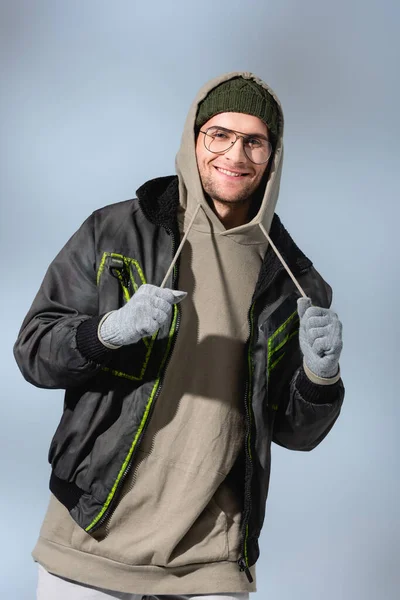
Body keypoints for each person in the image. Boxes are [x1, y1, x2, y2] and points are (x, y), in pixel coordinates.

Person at [14, 71, 345, 600]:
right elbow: (34, 352)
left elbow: (296, 432)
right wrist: (109, 331)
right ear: (194, 139)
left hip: (210, 562)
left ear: (272, 156)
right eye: (220, 135)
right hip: (87, 541)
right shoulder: (114, 230)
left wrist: (320, 377)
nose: (235, 155)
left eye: (253, 141)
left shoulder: (295, 283)